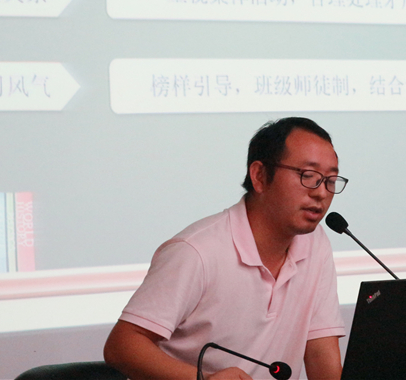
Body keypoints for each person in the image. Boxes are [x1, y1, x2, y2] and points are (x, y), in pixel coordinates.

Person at [104, 117, 348, 380]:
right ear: (260, 176)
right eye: (308, 176)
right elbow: (121, 346)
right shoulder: (196, 251)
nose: (321, 193)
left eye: (331, 180)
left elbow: (320, 351)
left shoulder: (315, 243)